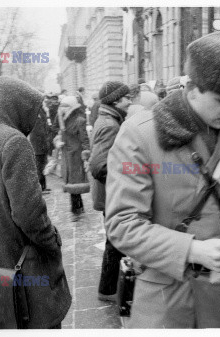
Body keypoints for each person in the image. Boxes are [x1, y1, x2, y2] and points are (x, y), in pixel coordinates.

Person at [105, 32, 220, 328]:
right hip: (166, 295)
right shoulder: (140, 134)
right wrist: (195, 250)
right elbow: (122, 224)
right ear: (191, 88)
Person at [0, 76, 72, 329]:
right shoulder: (14, 142)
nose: (33, 120)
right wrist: (52, 242)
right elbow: (30, 214)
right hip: (25, 272)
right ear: (18, 108)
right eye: (32, 112)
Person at [90, 80, 131, 302]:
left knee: (115, 240)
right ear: (116, 100)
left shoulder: (109, 119)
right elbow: (99, 166)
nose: (129, 101)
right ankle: (108, 290)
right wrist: (128, 174)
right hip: (110, 194)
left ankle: (109, 289)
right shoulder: (110, 125)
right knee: (115, 242)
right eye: (126, 98)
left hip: (109, 193)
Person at [57, 96, 91, 214]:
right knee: (71, 182)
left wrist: (86, 156)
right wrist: (58, 142)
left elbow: (85, 140)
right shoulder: (64, 119)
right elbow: (61, 134)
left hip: (76, 156)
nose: (61, 109)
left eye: (64, 106)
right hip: (67, 155)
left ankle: (76, 207)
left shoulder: (79, 120)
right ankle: (77, 206)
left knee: (75, 182)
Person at [29, 96, 51, 192]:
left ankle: (43, 186)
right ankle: (41, 187)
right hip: (38, 144)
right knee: (39, 166)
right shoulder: (36, 112)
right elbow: (39, 131)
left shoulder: (40, 111)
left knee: (42, 165)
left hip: (41, 143)